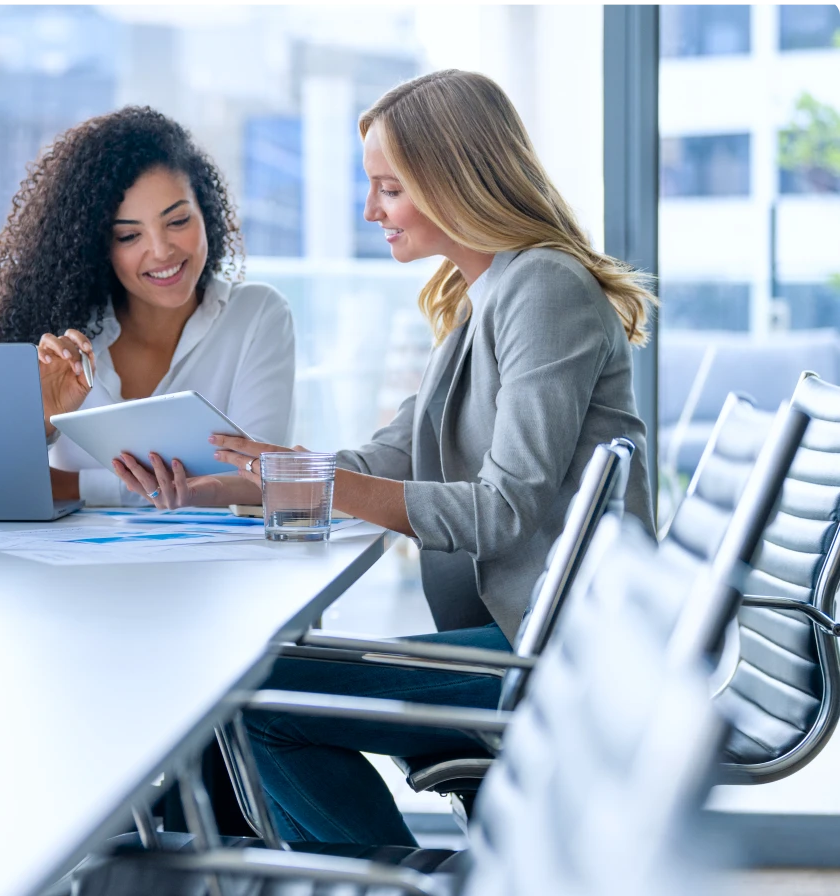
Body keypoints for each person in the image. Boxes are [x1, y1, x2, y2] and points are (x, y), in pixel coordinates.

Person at [118, 70, 657, 846]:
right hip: (533, 635)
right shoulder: (487, 296)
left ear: (454, 181)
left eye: (389, 188)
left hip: (565, 651)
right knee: (261, 689)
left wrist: (328, 485)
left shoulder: (543, 291)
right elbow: (389, 455)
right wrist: (215, 486)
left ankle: (398, 893)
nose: (371, 210)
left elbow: (504, 512)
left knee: (260, 695)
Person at [0, 107, 295, 508]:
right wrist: (42, 421)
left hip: (211, 567)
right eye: (128, 236)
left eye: (177, 221)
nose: (161, 250)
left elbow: (269, 479)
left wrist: (71, 486)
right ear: (96, 247)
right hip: (70, 567)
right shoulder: (56, 340)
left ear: (205, 212)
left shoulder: (257, 315)